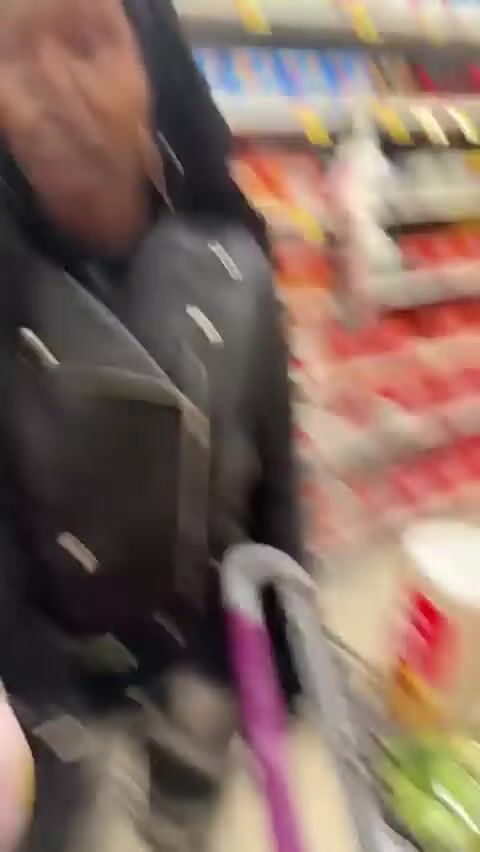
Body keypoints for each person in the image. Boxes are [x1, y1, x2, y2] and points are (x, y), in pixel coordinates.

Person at [0, 0, 302, 849]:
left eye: (86, 43)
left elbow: (275, 482)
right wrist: (37, 698)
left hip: (195, 659)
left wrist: (273, 667)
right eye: (13, 56)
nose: (49, 88)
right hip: (48, 695)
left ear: (154, 73)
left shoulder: (235, 267)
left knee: (182, 826)